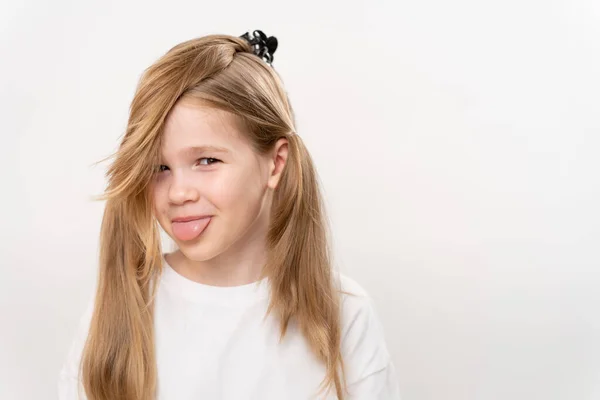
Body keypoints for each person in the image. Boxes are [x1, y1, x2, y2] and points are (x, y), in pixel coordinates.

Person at [58, 29, 401, 400]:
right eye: (159, 168)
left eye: (207, 160)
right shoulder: (122, 307)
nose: (178, 192)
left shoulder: (344, 313)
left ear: (275, 163)